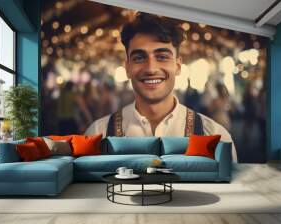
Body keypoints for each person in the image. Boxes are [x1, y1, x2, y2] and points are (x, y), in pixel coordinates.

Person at [85, 12, 237, 162]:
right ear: (128, 68)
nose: (151, 69)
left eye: (162, 57)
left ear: (178, 66)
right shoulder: (98, 134)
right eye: (139, 58)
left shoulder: (215, 136)